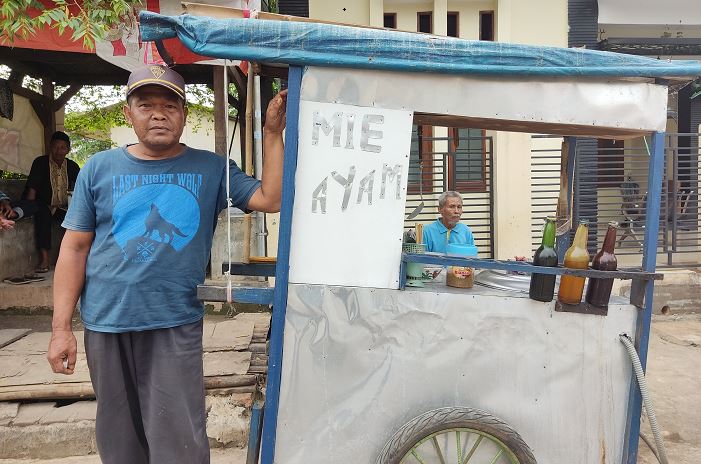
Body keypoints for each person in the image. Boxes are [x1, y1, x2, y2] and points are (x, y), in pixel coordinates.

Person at [46, 65, 286, 464]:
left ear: (184, 114)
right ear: (128, 114)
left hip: (173, 322)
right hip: (106, 323)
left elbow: (270, 198)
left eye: (169, 105)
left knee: (180, 443)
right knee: (120, 441)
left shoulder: (211, 168)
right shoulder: (98, 169)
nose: (158, 114)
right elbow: (73, 250)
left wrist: (272, 134)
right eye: (146, 105)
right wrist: (60, 330)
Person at [24, 130, 80, 272]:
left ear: (68, 149)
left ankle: (73, 259)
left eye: (63, 147)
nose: (59, 151)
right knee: (43, 216)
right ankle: (45, 259)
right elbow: (32, 188)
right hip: (41, 204)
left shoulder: (72, 166)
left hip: (61, 207)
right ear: (50, 147)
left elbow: (80, 188)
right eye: (55, 146)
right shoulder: (41, 162)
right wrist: (29, 208)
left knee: (76, 221)